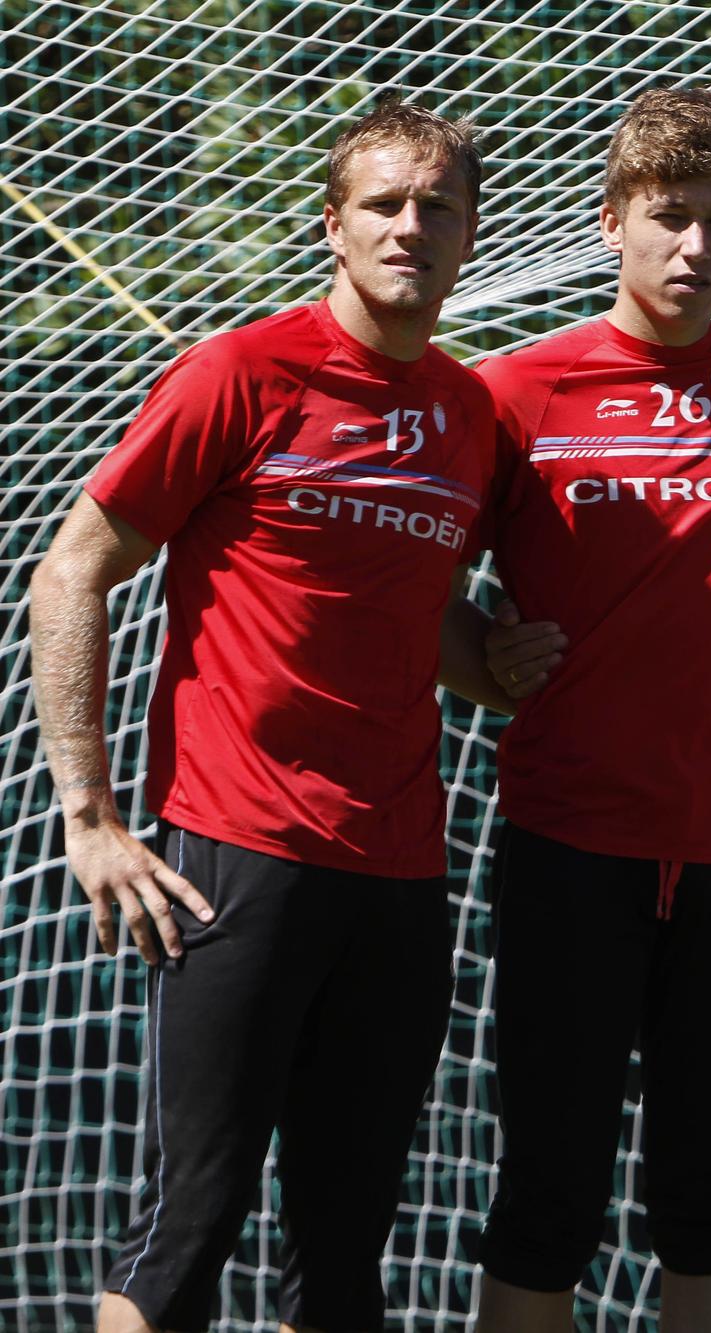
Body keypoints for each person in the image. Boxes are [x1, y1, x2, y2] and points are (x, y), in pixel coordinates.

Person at [29, 102, 493, 1333]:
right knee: (190, 1230)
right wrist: (90, 816)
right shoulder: (240, 373)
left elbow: (417, 611)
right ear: (332, 227)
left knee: (345, 1261)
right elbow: (73, 569)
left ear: (469, 230)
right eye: (385, 204)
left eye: (437, 205)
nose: (412, 226)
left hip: (399, 870)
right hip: (237, 853)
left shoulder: (467, 414)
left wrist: (503, 663)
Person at [459, 90, 711, 1333]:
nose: (695, 247)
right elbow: (414, 583)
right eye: (669, 218)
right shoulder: (513, 391)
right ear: (612, 222)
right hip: (569, 838)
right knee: (547, 1191)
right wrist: (481, 657)